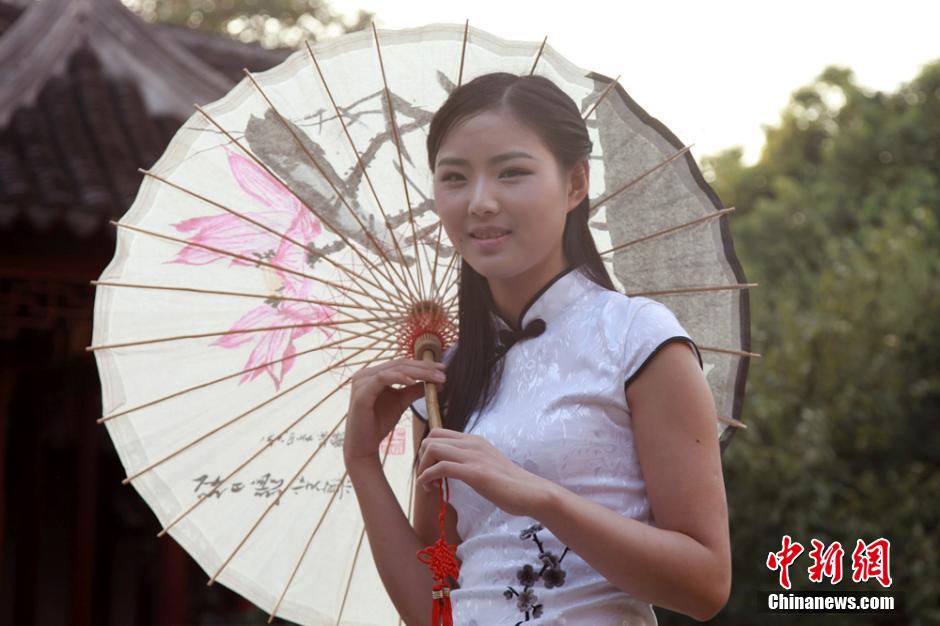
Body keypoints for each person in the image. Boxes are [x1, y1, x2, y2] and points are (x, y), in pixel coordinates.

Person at [342, 72, 730, 626]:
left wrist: (541, 497)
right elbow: (432, 605)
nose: (480, 202)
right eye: (454, 177)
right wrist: (361, 463)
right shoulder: (445, 381)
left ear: (576, 184)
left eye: (512, 173)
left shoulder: (637, 338)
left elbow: (706, 583)